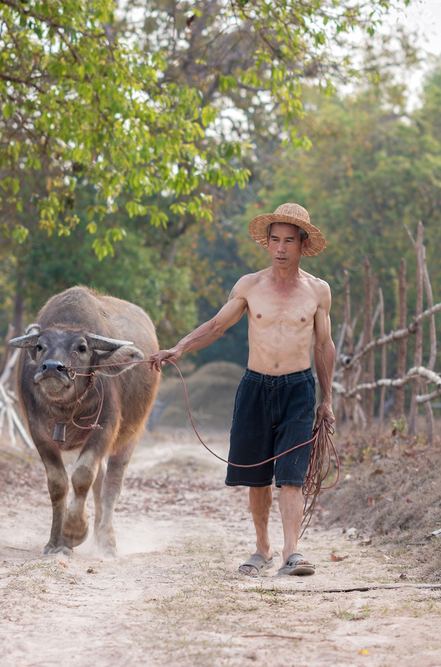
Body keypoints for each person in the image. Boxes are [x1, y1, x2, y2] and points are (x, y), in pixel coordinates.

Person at [148, 203, 335, 577]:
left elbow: (323, 346)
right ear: (267, 243)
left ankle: (292, 553)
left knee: (292, 475)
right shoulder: (249, 286)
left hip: (299, 388)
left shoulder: (318, 291)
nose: (281, 248)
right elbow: (217, 325)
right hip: (255, 386)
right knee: (256, 474)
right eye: (275, 240)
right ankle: (261, 548)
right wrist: (180, 348)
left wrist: (326, 399)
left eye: (288, 241)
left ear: (302, 244)